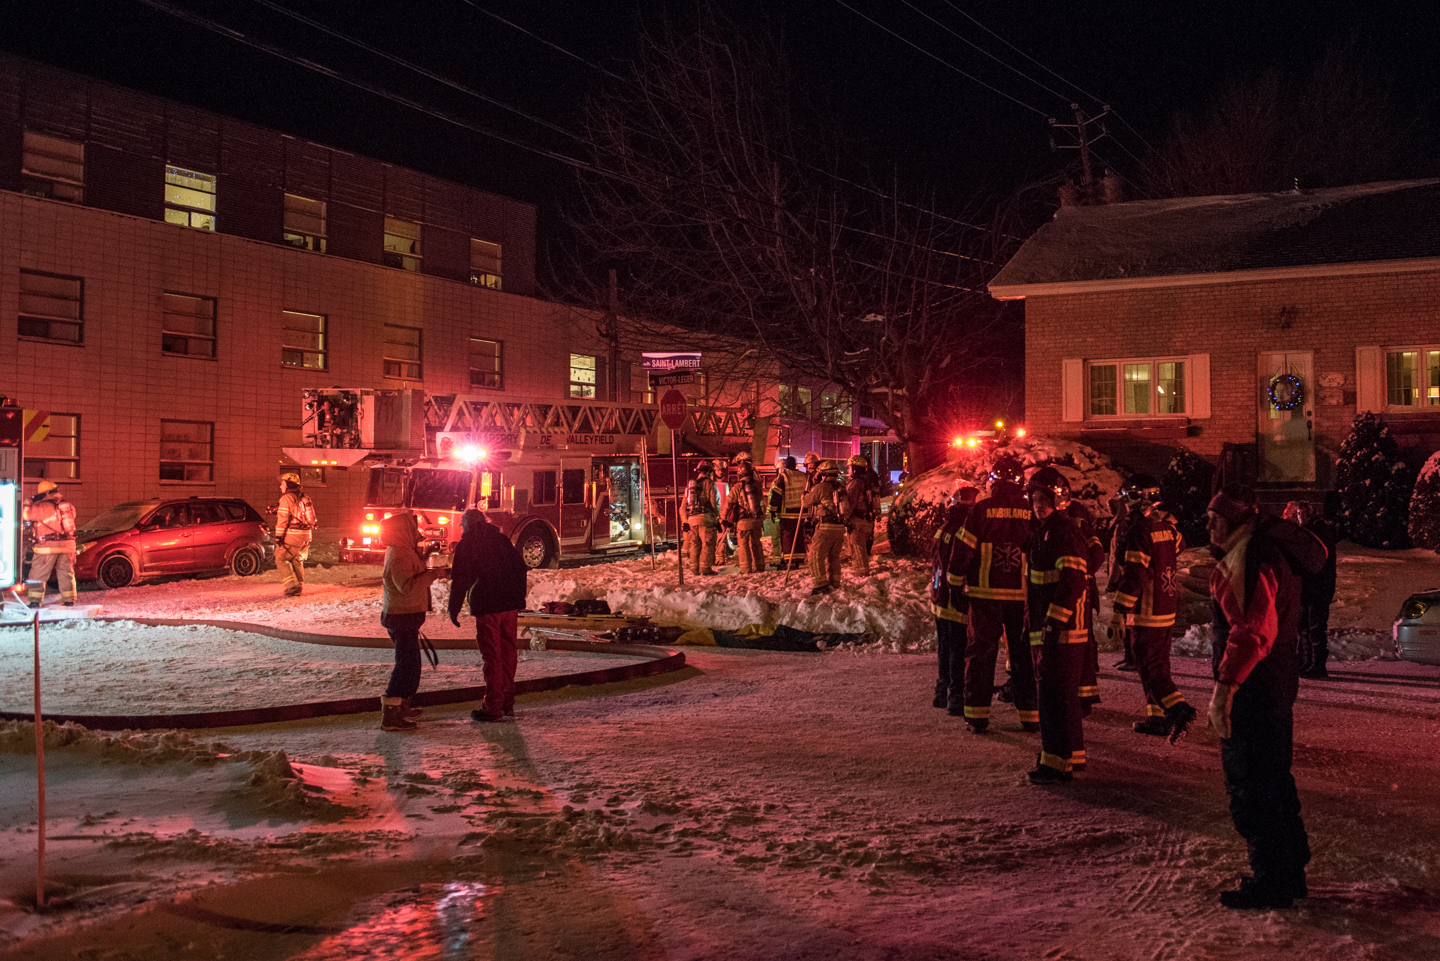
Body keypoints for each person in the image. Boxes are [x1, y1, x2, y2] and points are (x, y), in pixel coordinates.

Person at [1206, 485, 1326, 909]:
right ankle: (1288, 869)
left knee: (1251, 783)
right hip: (1275, 680)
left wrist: (1225, 688)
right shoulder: (1265, 550)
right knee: (1273, 776)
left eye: (1215, 519)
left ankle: (1272, 878)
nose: (1208, 527)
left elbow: (1253, 630)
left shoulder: (1250, 555)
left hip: (1254, 687)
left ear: (1235, 520)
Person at [948, 456, 1037, 734]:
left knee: (981, 655)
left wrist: (954, 585)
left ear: (992, 482)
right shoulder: (1031, 511)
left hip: (984, 595)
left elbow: (962, 550)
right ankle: (1031, 716)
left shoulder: (981, 510)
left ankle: (977, 717)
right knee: (1023, 656)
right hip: (1022, 597)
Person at [1110, 474, 1196, 742]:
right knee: (1159, 666)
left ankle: (1178, 709)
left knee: (1149, 667)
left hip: (1145, 611)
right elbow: (1179, 546)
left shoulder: (1139, 530)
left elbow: (1136, 574)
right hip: (1165, 608)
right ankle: (1157, 718)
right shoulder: (1167, 528)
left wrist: (1120, 609)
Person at [1024, 473, 1090, 784]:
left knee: (1053, 697)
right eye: (1035, 500)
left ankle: (1055, 763)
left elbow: (1072, 581)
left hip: (1061, 630)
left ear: (1058, 501)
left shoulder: (1063, 532)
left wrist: (1054, 621)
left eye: (1044, 500)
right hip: (1054, 627)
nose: (1038, 506)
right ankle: (1071, 755)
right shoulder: (1046, 531)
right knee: (1062, 696)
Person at [449, 509, 529, 723]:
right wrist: (519, 599)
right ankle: (507, 703)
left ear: (466, 525)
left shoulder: (467, 545)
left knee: (492, 656)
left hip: (487, 606)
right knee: (508, 653)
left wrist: (453, 608)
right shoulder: (501, 540)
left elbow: (460, 581)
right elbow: (520, 569)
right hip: (509, 606)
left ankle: (492, 706)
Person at [378, 512, 444, 732]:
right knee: (406, 664)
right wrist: (433, 575)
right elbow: (406, 586)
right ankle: (391, 712)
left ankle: (402, 705)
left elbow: (413, 573)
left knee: (411, 664)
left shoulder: (404, 551)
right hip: (402, 617)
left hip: (406, 616)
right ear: (402, 530)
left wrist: (426, 556)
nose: (416, 532)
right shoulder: (398, 555)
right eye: (411, 528)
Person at [931, 487, 978, 709]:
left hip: (940, 596)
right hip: (955, 596)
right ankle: (956, 695)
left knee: (945, 647)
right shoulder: (965, 529)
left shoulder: (944, 527)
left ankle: (942, 691)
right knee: (958, 649)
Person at [1284, 501, 1338, 680]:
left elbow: (1316, 559)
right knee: (1305, 627)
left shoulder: (1316, 531)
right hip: (1309, 586)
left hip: (1318, 587)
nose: (1299, 518)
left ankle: (1317, 665)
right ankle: (1308, 661)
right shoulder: (1309, 531)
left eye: (1301, 514)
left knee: (1315, 627)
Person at [22, 480, 77, 608]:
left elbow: (25, 514)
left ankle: (35, 600)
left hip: (47, 547)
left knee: (38, 574)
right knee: (66, 573)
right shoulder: (67, 505)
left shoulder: (41, 507)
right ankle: (69, 600)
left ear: (43, 494)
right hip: (68, 546)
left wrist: (29, 500)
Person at [803, 460, 847, 595]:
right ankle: (835, 582)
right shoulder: (841, 487)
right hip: (839, 528)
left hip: (825, 527)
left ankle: (820, 585)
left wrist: (804, 495)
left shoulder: (821, 487)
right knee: (834, 557)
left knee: (816, 556)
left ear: (824, 474)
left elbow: (807, 502)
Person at [1105, 496, 1138, 671]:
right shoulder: (1121, 525)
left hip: (1123, 579)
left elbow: (1118, 557)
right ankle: (1128, 656)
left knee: (1127, 620)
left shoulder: (1122, 527)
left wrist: (1113, 580)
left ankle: (1132, 658)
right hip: (1122, 577)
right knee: (1126, 620)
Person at [275, 473, 317, 597]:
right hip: (306, 535)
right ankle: (298, 587)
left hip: (293, 535)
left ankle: (291, 586)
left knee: (281, 558)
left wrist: (279, 536)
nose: (280, 486)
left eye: (282, 484)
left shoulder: (286, 498)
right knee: (296, 560)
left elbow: (283, 519)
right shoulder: (305, 497)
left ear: (288, 484)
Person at [729, 453, 767, 574]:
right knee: (756, 543)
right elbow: (761, 501)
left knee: (743, 545)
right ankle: (760, 566)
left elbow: (728, 503)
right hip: (756, 519)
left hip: (743, 521)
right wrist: (762, 516)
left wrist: (723, 518)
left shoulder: (737, 487)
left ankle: (746, 569)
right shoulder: (757, 485)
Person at [844, 454, 881, 575]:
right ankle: (861, 572)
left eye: (850, 467)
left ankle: (861, 574)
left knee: (857, 549)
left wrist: (844, 517)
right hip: (867, 521)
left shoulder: (855, 483)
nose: (848, 470)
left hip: (857, 521)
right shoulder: (869, 481)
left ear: (855, 469)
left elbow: (850, 503)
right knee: (862, 548)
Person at [769, 456, 808, 569]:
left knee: (787, 537)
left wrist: (772, 510)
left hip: (787, 512)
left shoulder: (783, 476)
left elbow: (776, 494)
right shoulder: (803, 476)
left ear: (785, 465)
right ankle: (798, 560)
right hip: (801, 512)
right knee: (799, 536)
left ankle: (789, 561)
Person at [683, 462, 721, 576]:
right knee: (707, 544)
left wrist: (685, 521)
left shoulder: (690, 486)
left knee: (695, 544)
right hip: (706, 519)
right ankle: (705, 568)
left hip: (692, 519)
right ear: (709, 472)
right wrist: (716, 518)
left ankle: (694, 569)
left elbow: (683, 506)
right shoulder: (710, 484)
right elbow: (715, 503)